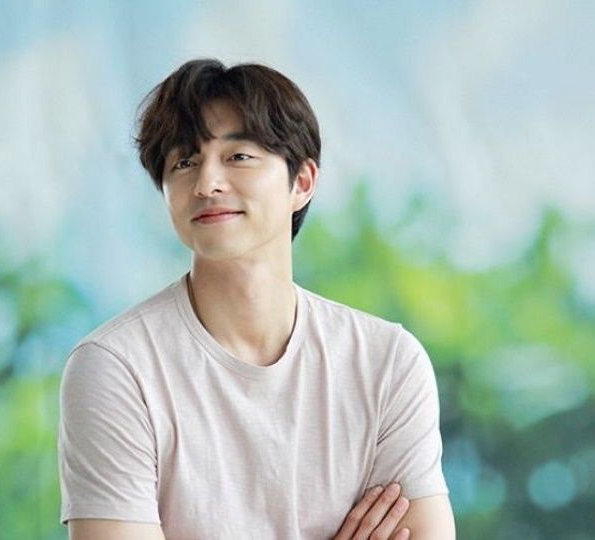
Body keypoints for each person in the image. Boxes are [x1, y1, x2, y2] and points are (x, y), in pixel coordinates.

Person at [57, 58, 455, 540]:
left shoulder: (387, 362)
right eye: (184, 162)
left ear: (302, 182)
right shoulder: (117, 367)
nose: (206, 184)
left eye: (239, 156)